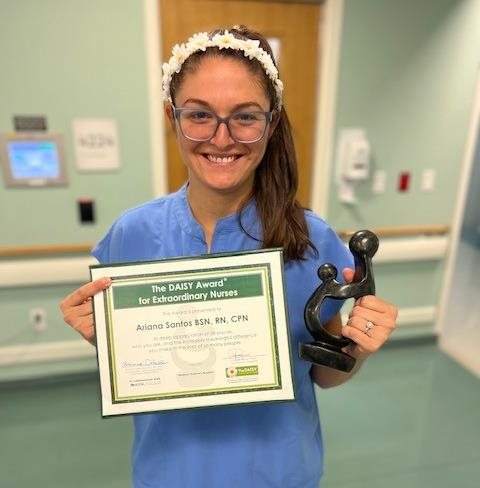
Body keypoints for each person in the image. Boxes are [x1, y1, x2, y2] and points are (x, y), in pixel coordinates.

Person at [60, 26, 397, 488]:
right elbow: (139, 367)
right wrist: (106, 339)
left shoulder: (312, 240)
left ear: (272, 123)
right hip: (168, 472)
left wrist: (357, 350)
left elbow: (325, 376)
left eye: (245, 117)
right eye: (199, 115)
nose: (221, 138)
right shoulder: (131, 235)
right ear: (172, 117)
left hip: (277, 473)